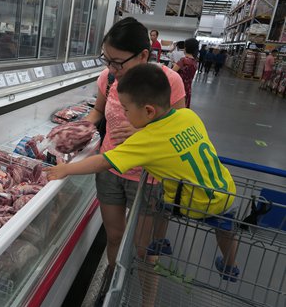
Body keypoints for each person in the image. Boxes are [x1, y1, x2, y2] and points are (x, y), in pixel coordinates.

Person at [44, 63, 239, 304]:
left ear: (148, 111)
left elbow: (104, 162)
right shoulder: (188, 115)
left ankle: (150, 257)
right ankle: (230, 265)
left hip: (195, 204)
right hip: (225, 190)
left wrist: (66, 169)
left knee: (155, 223)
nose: (122, 115)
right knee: (226, 227)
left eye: (125, 109)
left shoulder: (148, 139)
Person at [89, 17, 186, 306]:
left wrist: (144, 130)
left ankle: (148, 301)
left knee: (145, 249)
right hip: (110, 169)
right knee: (115, 236)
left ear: (143, 55)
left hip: (150, 176)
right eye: (107, 59)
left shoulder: (169, 81)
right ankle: (110, 290)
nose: (111, 69)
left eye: (118, 62)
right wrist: (82, 126)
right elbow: (97, 111)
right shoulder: (107, 79)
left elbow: (182, 127)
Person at [172, 38, 198, 108]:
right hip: (187, 89)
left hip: (178, 88)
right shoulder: (195, 62)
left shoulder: (183, 60)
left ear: (185, 48)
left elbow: (172, 72)